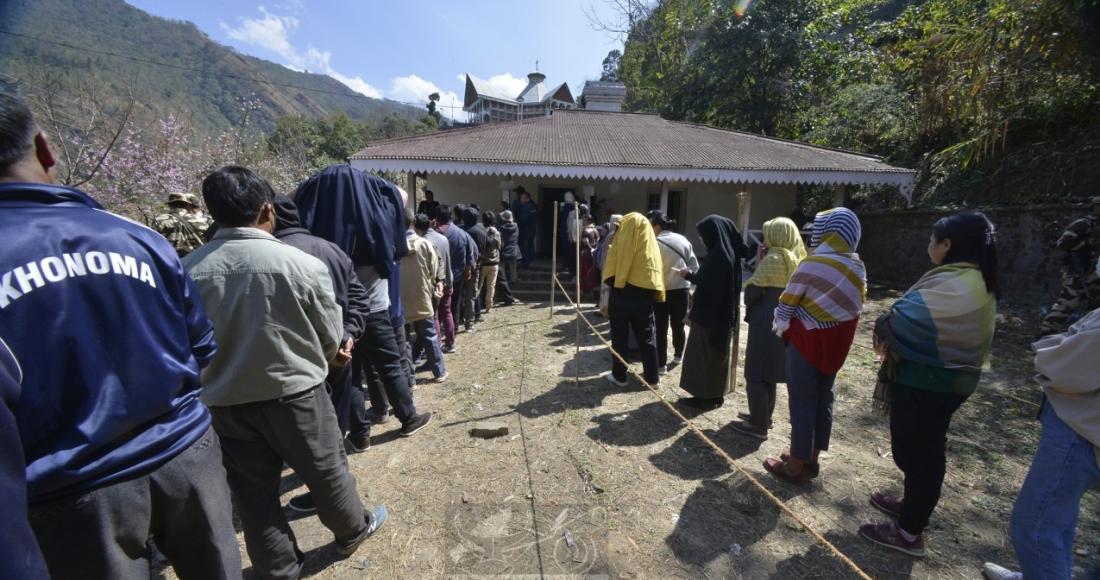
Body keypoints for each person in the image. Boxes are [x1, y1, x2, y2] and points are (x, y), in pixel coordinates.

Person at [0, 80, 240, 580]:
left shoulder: (151, 230)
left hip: (73, 490)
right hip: (184, 449)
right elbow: (201, 346)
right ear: (44, 147)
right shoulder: (137, 238)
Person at [184, 166, 386, 578]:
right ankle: (351, 530)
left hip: (224, 401)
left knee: (253, 493)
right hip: (296, 393)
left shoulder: (185, 270)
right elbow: (331, 335)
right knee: (325, 468)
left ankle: (278, 566)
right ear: (266, 210)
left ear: (212, 212)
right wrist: (334, 355)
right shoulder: (297, 264)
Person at [858, 212, 998, 557]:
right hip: (949, 377)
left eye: (932, 239)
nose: (928, 245)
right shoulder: (971, 278)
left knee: (920, 452)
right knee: (920, 447)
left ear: (947, 245)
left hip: (933, 379)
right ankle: (912, 505)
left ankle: (908, 533)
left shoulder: (958, 282)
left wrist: (888, 319)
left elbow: (907, 317)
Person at [294, 166, 432, 447]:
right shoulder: (375, 224)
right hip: (375, 308)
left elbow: (290, 196)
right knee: (390, 365)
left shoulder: (323, 237)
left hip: (339, 314)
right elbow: (403, 194)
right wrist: (364, 182)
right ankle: (408, 418)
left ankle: (360, 435)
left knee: (350, 374)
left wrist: (319, 182)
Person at [983, 304, 1100, 580]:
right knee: (1057, 519)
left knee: (1035, 527)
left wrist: (1057, 346)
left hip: (1081, 432)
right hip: (1081, 426)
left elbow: (1062, 363)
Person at [764, 207, 866, 484]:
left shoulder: (812, 264)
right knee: (824, 398)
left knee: (802, 400)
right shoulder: (857, 266)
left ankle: (795, 465)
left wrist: (780, 325)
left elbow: (787, 302)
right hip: (837, 345)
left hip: (807, 342)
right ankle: (812, 456)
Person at [272, 193, 367, 437]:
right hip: (338, 349)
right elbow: (358, 296)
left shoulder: (270, 256)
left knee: (305, 430)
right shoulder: (331, 248)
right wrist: (349, 334)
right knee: (336, 420)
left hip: (294, 360)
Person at [731, 217, 806, 440]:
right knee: (770, 373)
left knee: (755, 373)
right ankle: (764, 416)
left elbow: (752, 292)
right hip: (785, 324)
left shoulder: (774, 259)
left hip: (765, 322)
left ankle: (758, 424)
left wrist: (761, 264)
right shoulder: (799, 259)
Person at [674, 215, 746, 410]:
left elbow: (708, 285)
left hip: (710, 317)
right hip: (720, 316)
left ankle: (704, 397)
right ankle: (715, 394)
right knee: (716, 357)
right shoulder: (728, 254)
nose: (700, 239)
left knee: (703, 357)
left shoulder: (718, 257)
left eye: (703, 235)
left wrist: (688, 275)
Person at [603, 212, 665, 387]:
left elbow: (618, 259)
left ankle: (620, 376)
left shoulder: (628, 228)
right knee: (647, 336)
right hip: (645, 291)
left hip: (623, 290)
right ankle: (653, 379)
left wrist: (617, 281)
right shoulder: (649, 243)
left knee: (619, 336)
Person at [1039, 196, 1100, 337]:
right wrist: (1089, 243)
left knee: (1095, 307)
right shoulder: (1083, 224)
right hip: (1077, 271)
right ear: (1094, 207)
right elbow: (1063, 243)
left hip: (1095, 271)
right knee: (1067, 304)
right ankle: (1046, 333)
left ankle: (1088, 337)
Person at [648, 210, 699, 374]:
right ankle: (678, 355)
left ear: (656, 226)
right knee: (679, 324)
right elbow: (694, 267)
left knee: (661, 327)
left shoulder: (653, 242)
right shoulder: (683, 240)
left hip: (660, 291)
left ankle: (661, 365)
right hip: (681, 289)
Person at [401, 209, 448, 383]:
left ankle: (409, 379)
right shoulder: (425, 244)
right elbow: (435, 270)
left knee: (404, 340)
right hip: (423, 296)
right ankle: (439, 372)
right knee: (429, 335)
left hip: (401, 300)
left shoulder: (394, 245)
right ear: (413, 222)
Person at [437, 204, 476, 352]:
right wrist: (468, 268)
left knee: (439, 310)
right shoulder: (461, 233)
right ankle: (453, 332)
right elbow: (469, 252)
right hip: (458, 275)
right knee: (454, 305)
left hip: (440, 278)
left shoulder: (436, 234)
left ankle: (440, 336)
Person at [152, 191, 213, 256]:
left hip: (171, 263)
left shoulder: (159, 220)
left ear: (169, 205)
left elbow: (153, 243)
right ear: (187, 204)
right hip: (196, 262)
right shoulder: (201, 220)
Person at [460, 205, 488, 328]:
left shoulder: (459, 231)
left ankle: (458, 318)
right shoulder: (482, 232)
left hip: (459, 266)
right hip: (476, 265)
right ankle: (470, 321)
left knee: (459, 294)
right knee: (472, 294)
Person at [480, 210, 502, 313]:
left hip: (482, 262)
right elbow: (499, 246)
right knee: (491, 285)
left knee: (478, 285)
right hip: (494, 262)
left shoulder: (481, 230)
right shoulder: (497, 232)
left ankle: (476, 306)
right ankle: (489, 306)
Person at [511, 187, 538, 269]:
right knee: (530, 245)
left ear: (526, 198)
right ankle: (530, 261)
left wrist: (516, 223)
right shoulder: (532, 205)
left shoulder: (526, 207)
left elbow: (523, 219)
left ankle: (526, 263)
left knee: (525, 246)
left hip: (525, 229)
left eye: (522, 198)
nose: (521, 199)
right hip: (531, 229)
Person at [579, 206, 601, 294]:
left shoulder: (585, 230)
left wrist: (590, 248)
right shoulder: (596, 230)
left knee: (584, 272)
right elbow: (598, 241)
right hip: (594, 254)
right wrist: (594, 249)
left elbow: (585, 242)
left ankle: (584, 289)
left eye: (584, 220)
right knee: (592, 272)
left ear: (588, 220)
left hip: (586, 254)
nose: (583, 221)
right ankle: (591, 288)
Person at [499, 209, 522, 283]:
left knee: (502, 266)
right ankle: (514, 279)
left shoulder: (501, 228)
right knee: (513, 266)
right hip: (513, 250)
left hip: (503, 250)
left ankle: (504, 280)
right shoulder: (516, 226)